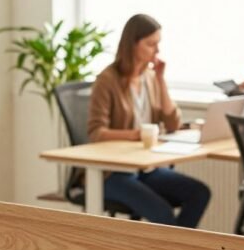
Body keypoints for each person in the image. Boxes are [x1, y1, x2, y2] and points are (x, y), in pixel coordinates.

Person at [88, 13, 211, 228]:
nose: (157, 51)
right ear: (132, 44)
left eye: (158, 44)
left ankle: (173, 248)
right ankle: (173, 248)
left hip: (145, 169)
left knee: (199, 193)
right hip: (113, 173)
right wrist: (136, 135)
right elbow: (96, 132)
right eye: (151, 44)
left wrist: (161, 80)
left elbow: (172, 124)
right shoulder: (107, 80)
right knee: (163, 213)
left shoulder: (151, 78)